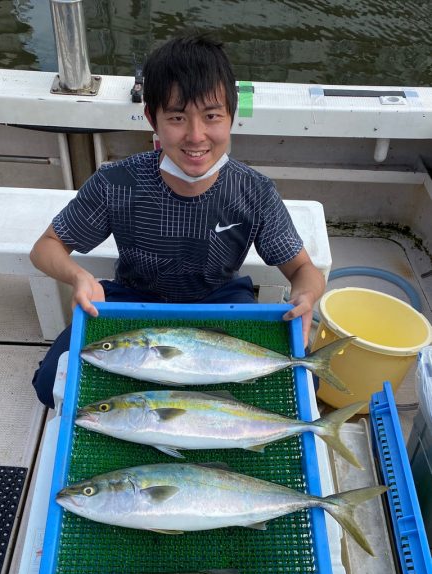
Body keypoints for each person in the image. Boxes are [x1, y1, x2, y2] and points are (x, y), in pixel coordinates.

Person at [30, 33, 325, 408]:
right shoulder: (116, 181)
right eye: (177, 117)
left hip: (218, 303)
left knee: (305, 385)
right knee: (48, 383)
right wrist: (78, 276)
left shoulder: (254, 191)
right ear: (152, 118)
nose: (196, 135)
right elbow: (46, 247)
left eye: (212, 116)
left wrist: (306, 294)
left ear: (232, 116)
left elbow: (304, 269)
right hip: (133, 299)